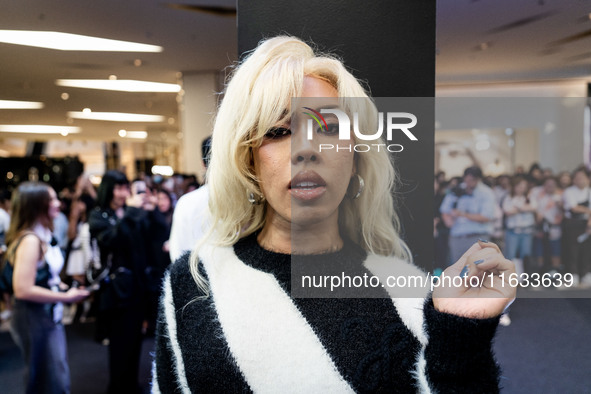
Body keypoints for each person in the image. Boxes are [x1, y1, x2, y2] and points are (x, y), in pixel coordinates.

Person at [153, 36, 516, 393]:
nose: (307, 149)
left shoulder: (407, 291)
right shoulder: (191, 284)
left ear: (356, 156)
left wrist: (461, 340)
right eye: (278, 131)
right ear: (248, 160)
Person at [6, 181, 89, 393]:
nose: (58, 203)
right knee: (46, 378)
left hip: (47, 314)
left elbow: (45, 277)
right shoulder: (30, 240)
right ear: (37, 205)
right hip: (33, 316)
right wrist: (66, 297)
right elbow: (22, 289)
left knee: (54, 375)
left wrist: (64, 287)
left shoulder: (43, 233)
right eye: (51, 199)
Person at [89, 170, 152, 393]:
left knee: (135, 341)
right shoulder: (99, 215)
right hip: (115, 291)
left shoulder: (130, 211)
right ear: (108, 190)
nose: (124, 192)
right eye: (119, 187)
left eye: (126, 187)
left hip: (137, 286)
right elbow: (112, 239)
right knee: (120, 344)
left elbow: (147, 241)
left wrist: (146, 210)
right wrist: (133, 211)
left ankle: (131, 386)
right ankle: (117, 388)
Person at [440, 166, 497, 264]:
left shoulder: (486, 193)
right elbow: (445, 209)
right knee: (457, 267)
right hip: (457, 236)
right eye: (467, 179)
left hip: (477, 236)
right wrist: (448, 220)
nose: (469, 182)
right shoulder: (456, 190)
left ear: (478, 179)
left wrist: (463, 214)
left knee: (478, 267)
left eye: (472, 180)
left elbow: (486, 216)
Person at [168, 136, 212, 262]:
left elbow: (177, 252)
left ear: (203, 164)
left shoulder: (187, 202)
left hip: (194, 275)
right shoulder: (249, 200)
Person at [561, 167, 591, 287]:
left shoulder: (589, 191)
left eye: (583, 178)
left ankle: (586, 274)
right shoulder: (569, 191)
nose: (580, 181)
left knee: (586, 250)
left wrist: (589, 224)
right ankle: (573, 274)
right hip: (573, 224)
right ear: (573, 180)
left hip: (587, 224)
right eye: (577, 178)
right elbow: (574, 207)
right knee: (572, 250)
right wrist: (589, 211)